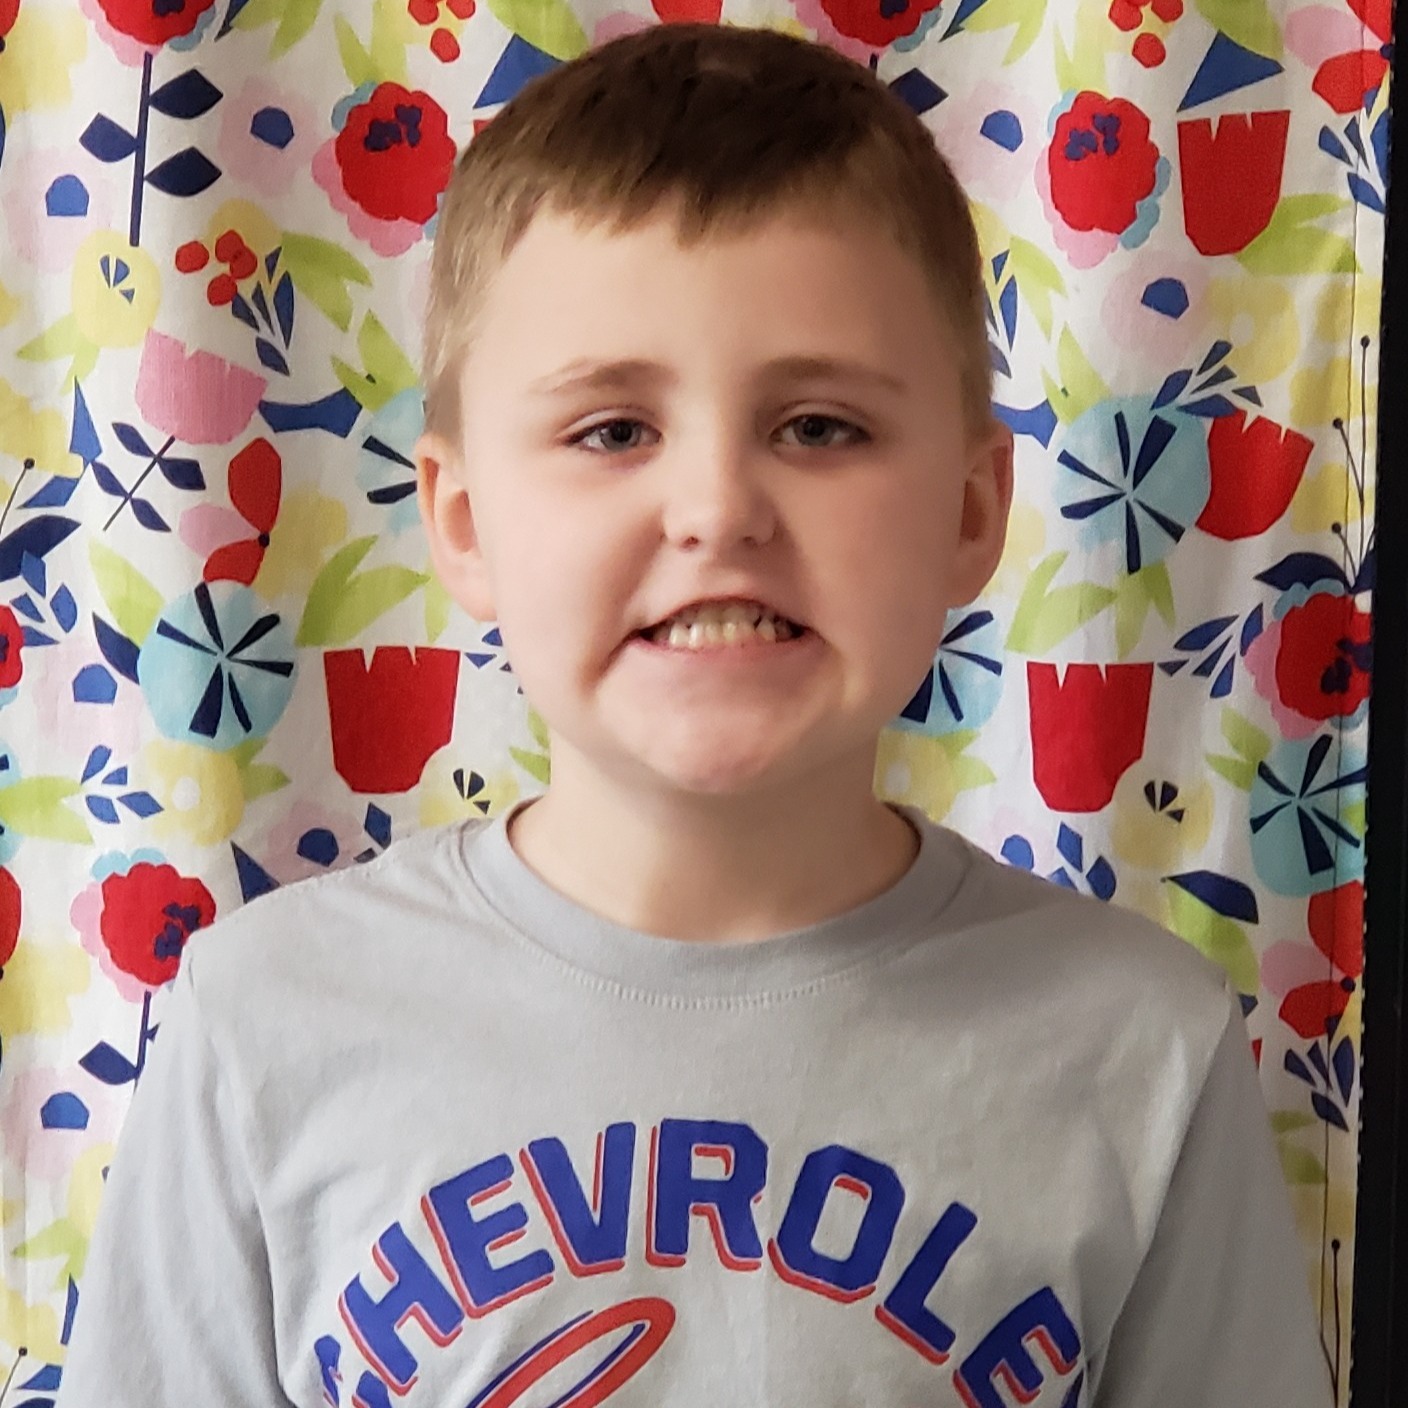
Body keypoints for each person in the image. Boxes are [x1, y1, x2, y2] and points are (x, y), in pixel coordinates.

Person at [58, 22, 1333, 1408]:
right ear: (466, 523)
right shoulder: (261, 1020)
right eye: (612, 430)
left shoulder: (1144, 1046)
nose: (719, 509)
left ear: (972, 512)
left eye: (820, 427)